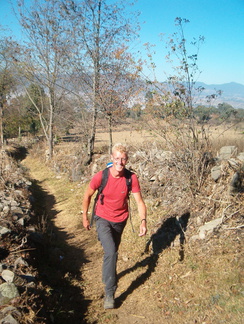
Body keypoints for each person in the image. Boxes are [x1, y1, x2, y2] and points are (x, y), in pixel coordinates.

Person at [82, 143, 147, 309]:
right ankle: (110, 293)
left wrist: (143, 221)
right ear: (112, 158)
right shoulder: (101, 176)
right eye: (117, 158)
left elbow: (139, 202)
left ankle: (107, 276)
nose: (120, 162)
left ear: (127, 160)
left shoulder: (131, 178)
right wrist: (85, 216)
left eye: (123, 159)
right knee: (111, 251)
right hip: (102, 217)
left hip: (120, 220)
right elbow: (87, 195)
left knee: (111, 252)